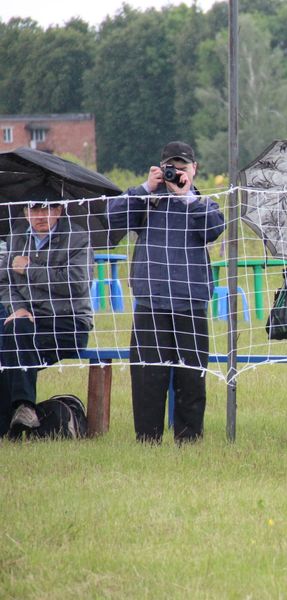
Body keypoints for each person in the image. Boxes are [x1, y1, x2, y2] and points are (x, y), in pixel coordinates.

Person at [107, 141, 225, 443]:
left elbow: (214, 228)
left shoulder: (203, 203)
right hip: (151, 299)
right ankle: (147, 439)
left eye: (183, 168)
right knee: (148, 375)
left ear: (195, 170)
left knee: (191, 376)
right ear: (161, 168)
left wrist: (186, 197)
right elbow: (113, 219)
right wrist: (146, 188)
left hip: (191, 299)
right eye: (172, 169)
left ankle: (189, 439)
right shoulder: (146, 200)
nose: (178, 175)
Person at [0, 186, 92, 437]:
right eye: (35, 208)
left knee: (11, 348)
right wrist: (18, 308)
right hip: (25, 322)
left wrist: (30, 269)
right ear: (25, 211)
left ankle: (18, 415)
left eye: (49, 207)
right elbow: (5, 282)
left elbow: (76, 283)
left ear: (60, 210)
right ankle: (22, 411)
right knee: (11, 335)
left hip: (68, 322)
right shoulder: (16, 237)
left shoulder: (78, 238)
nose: (41, 214)